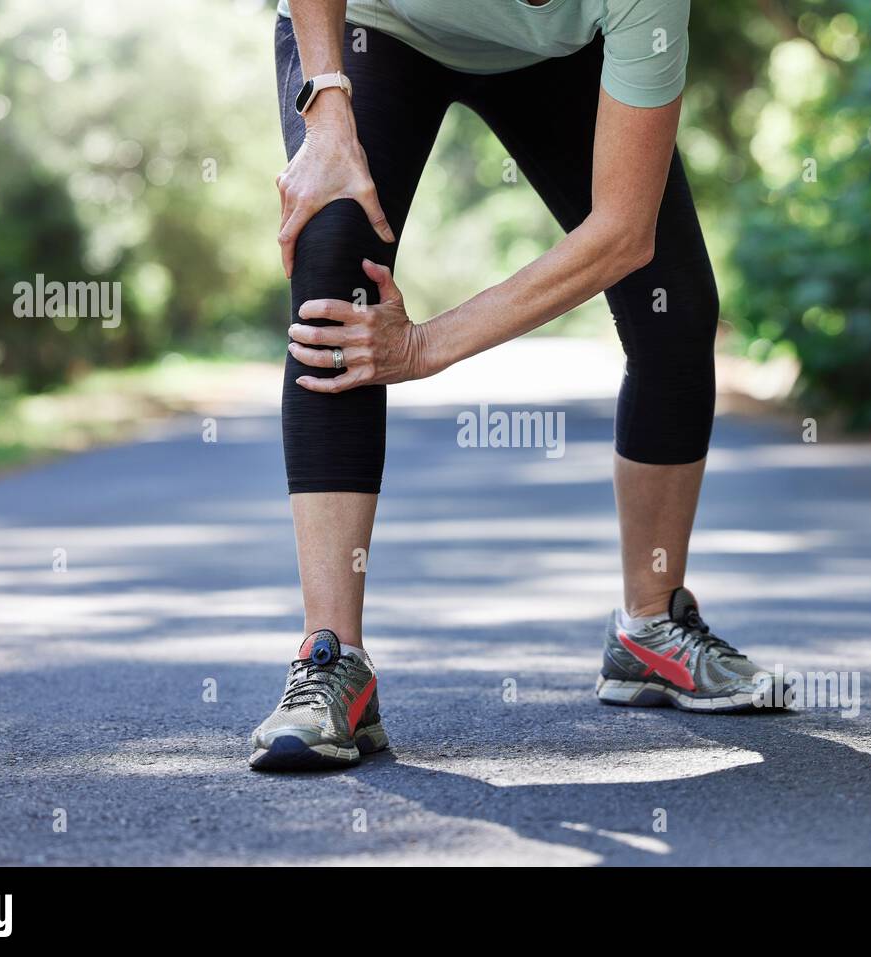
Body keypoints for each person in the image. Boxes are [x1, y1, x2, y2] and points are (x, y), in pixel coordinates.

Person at [249, 0, 779, 772]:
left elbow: (623, 233)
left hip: (556, 58)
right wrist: (327, 112)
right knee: (335, 265)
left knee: (676, 306)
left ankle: (650, 628)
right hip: (375, 27)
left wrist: (426, 346)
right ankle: (333, 660)